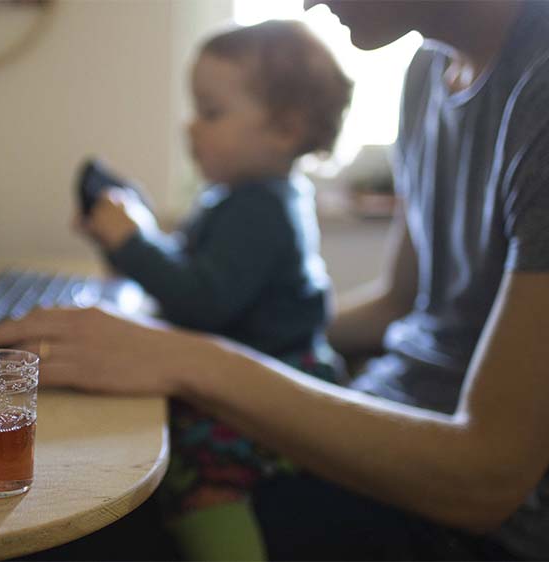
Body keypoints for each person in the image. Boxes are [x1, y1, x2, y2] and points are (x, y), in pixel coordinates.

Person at [0, 0, 549, 559]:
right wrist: (184, 332)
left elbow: (487, 480)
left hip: (460, 527)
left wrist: (190, 358)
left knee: (66, 529)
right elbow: (402, 306)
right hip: (377, 437)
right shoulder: (430, 72)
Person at [74, 20, 352, 561]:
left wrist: (133, 244)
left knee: (202, 491)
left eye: (211, 112)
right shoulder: (239, 197)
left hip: (270, 392)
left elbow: (201, 300)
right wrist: (124, 241)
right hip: (251, 371)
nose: (190, 127)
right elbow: (185, 274)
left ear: (286, 130)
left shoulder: (259, 208)